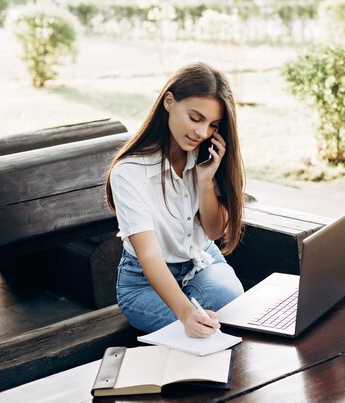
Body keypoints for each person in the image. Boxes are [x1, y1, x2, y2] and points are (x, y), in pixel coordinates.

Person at [105, 62, 245, 338]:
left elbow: (215, 232)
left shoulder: (206, 157)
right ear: (169, 102)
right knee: (200, 330)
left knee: (229, 308)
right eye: (195, 118)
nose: (202, 133)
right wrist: (186, 314)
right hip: (143, 281)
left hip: (201, 261)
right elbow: (149, 255)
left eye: (212, 125)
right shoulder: (130, 173)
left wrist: (205, 181)